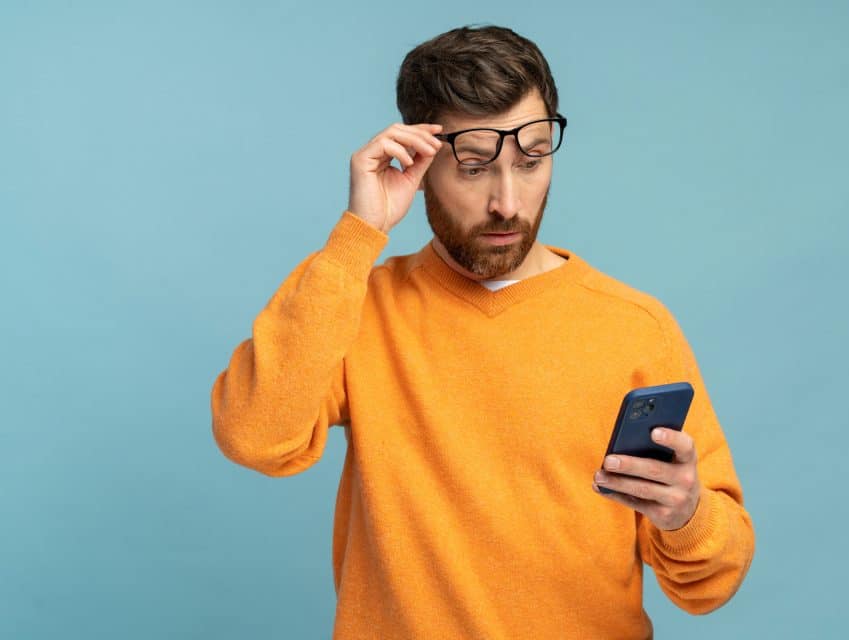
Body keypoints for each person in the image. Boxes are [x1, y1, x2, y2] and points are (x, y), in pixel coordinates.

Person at [210, 24, 754, 639]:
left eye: (531, 161)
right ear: (415, 163)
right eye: (473, 168)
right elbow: (254, 436)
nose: (507, 202)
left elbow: (714, 582)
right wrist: (357, 235)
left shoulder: (634, 326)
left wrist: (686, 515)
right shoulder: (360, 305)